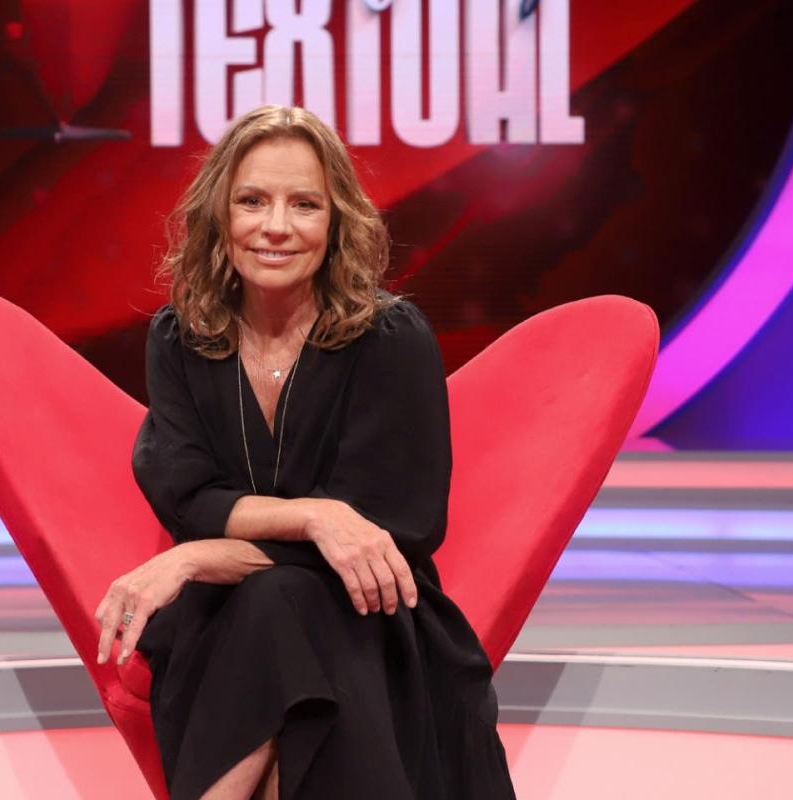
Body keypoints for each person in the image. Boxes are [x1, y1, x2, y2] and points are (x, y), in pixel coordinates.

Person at [93, 105, 517, 800]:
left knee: (283, 605)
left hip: (369, 621)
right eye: (252, 201)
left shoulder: (389, 339)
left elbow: (395, 529)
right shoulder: (180, 338)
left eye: (304, 204)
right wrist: (315, 517)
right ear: (219, 214)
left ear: (337, 221)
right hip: (221, 625)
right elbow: (187, 495)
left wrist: (193, 557)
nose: (276, 226)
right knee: (273, 609)